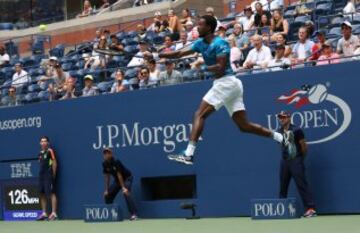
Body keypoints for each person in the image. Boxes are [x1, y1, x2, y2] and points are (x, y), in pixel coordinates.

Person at [159, 15, 285, 165]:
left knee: (199, 114)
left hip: (226, 82)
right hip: (228, 85)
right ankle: (281, 138)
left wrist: (203, 66)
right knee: (244, 126)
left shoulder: (221, 43)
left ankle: (189, 153)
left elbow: (220, 67)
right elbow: (178, 53)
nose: (197, 28)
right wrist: (159, 54)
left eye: (200, 25)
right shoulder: (199, 43)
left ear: (209, 28)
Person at [276, 111, 317, 218]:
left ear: (289, 118)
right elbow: (281, 146)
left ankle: (311, 209)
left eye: (284, 117)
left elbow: (304, 146)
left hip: (296, 161)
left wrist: (299, 159)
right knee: (283, 186)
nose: (281, 119)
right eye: (280, 117)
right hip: (285, 162)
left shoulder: (297, 130)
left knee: (301, 184)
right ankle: (281, 209)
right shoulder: (278, 132)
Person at [102, 148, 138, 221]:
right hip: (118, 180)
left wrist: (123, 188)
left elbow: (119, 175)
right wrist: (106, 190)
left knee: (126, 192)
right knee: (107, 195)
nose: (106, 154)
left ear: (111, 154)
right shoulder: (104, 164)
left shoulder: (116, 162)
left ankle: (134, 214)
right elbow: (107, 177)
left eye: (107, 153)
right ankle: (110, 214)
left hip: (127, 178)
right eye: (104, 153)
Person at [37, 136, 58, 221]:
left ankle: (54, 213)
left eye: (45, 141)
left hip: (49, 175)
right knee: (42, 193)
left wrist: (53, 174)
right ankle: (44, 213)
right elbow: (41, 164)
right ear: (40, 143)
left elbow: (54, 162)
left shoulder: (50, 151)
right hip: (41, 176)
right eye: (42, 141)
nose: (43, 143)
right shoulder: (40, 153)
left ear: (48, 143)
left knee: (52, 193)